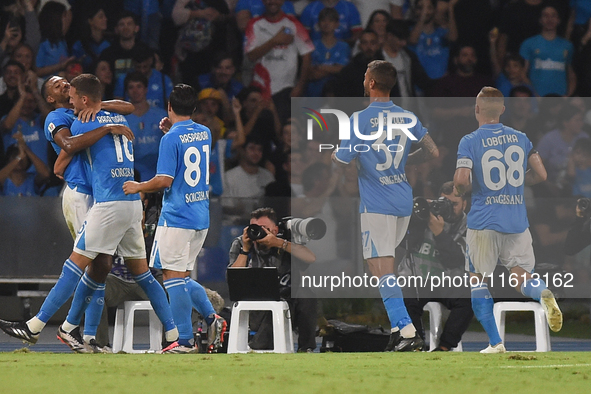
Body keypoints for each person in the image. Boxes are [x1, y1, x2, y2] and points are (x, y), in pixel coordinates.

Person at [332, 60, 439, 351]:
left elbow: (341, 160)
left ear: (370, 83)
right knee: (376, 267)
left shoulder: (359, 118)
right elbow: (432, 149)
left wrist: (336, 159)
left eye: (366, 75)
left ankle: (407, 331)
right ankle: (396, 328)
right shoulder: (406, 116)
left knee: (384, 268)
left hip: (378, 204)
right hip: (402, 199)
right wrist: (405, 160)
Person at [454, 86, 562, 354]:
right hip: (517, 221)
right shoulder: (521, 138)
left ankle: (495, 342)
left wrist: (462, 190)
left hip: (483, 221)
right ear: (502, 110)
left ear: (477, 109)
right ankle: (542, 293)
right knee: (521, 277)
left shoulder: (469, 140)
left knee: (477, 280)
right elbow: (542, 174)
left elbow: (461, 180)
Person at [123, 84, 227, 353]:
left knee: (171, 278)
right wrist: (173, 132)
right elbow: (188, 153)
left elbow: (165, 180)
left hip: (178, 216)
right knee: (178, 275)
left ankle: (184, 340)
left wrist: (138, 186)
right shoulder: (204, 132)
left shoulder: (170, 139)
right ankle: (212, 317)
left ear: (169, 107)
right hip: (200, 215)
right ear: (194, 109)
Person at [228, 207, 317, 351]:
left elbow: (311, 258)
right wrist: (245, 250)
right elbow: (234, 279)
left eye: (264, 228)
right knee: (273, 307)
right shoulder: (241, 243)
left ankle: (306, 348)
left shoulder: (284, 242)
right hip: (254, 307)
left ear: (275, 230)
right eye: (255, 228)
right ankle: (258, 345)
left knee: (306, 294)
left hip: (288, 305)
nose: (259, 232)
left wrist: (278, 243)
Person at [398, 181, 472, 352]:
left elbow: (456, 259)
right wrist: (419, 217)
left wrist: (439, 233)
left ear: (464, 204)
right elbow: (404, 242)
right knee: (405, 295)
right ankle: (416, 345)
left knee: (469, 297)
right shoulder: (426, 215)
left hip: (449, 281)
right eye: (444, 202)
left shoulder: (471, 226)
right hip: (417, 279)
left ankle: (445, 347)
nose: (449, 208)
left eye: (454, 204)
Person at [245, 0, 314, 123]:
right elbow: (251, 56)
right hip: (260, 89)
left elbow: (307, 55)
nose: (272, 2)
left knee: (284, 129)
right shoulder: (254, 24)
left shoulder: (293, 24)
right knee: (261, 126)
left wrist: (300, 86)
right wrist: (274, 41)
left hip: (286, 89)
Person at [519, 4, 576, 97]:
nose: (550, 19)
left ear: (558, 20)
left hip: (559, 100)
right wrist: (534, 94)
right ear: (540, 20)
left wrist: (567, 96)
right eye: (546, 15)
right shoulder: (529, 43)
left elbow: (571, 75)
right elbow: (522, 73)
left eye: (553, 16)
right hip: (537, 98)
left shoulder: (568, 46)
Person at [122, 71, 167, 182]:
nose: (135, 91)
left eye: (139, 86)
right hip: (131, 176)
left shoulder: (162, 116)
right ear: (127, 91)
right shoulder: (122, 119)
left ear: (146, 89)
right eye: (131, 87)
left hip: (159, 174)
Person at [407, 0, 458, 80]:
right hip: (420, 84)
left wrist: (450, 8)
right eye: (420, 8)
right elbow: (412, 40)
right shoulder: (410, 31)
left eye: (429, 8)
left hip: (442, 83)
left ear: (434, 10)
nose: (425, 11)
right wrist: (423, 14)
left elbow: (453, 38)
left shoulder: (441, 32)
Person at [307, 7, 351, 97]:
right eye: (323, 20)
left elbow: (343, 70)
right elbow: (310, 73)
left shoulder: (344, 46)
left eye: (330, 21)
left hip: (337, 94)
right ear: (318, 23)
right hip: (313, 95)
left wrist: (320, 67)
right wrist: (333, 68)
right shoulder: (311, 46)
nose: (326, 24)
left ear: (337, 24)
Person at [99, 11, 152, 82]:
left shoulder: (146, 51)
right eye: (122, 24)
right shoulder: (107, 54)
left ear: (136, 28)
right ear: (116, 29)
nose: (125, 28)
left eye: (129, 24)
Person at [333, 29, 382, 97]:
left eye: (372, 43)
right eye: (365, 43)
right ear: (359, 46)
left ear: (378, 45)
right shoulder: (349, 71)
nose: (369, 47)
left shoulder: (386, 70)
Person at [71, 6, 111, 72]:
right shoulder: (79, 45)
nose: (105, 19)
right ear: (90, 21)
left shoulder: (109, 43)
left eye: (105, 16)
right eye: (101, 17)